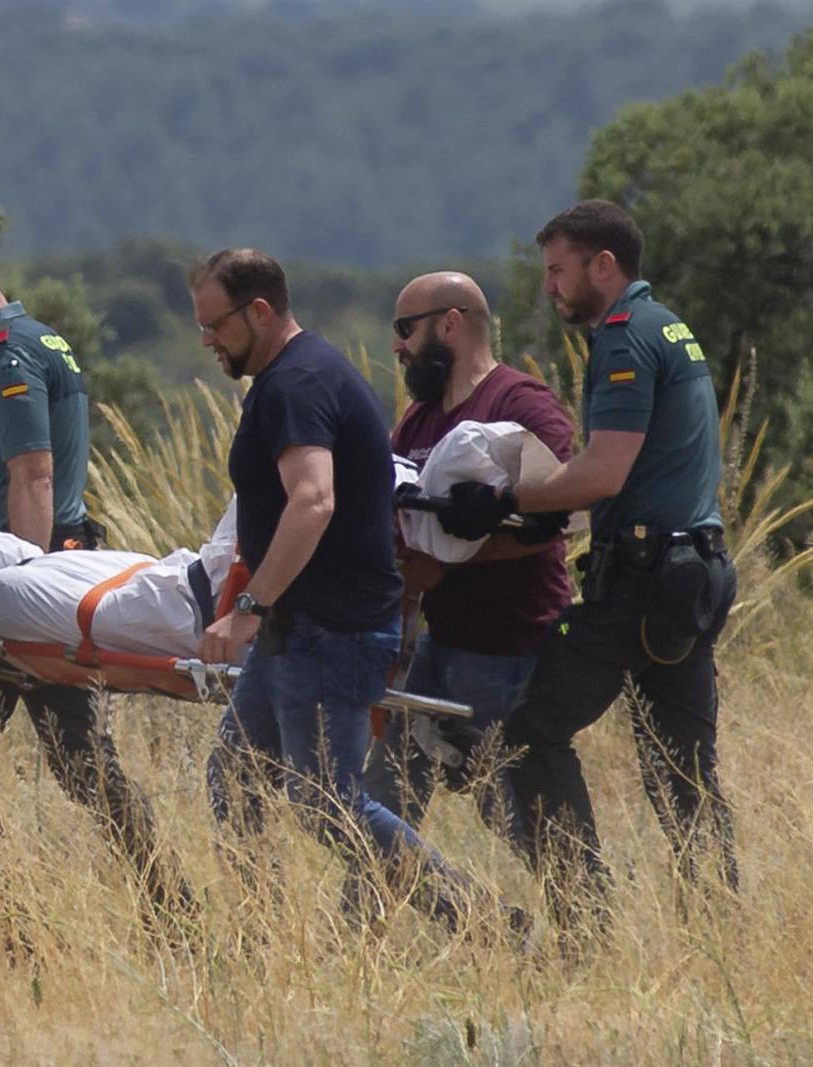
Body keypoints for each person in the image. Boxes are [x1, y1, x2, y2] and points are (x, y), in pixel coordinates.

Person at [438, 200, 739, 926]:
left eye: (558, 271)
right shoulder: (671, 324)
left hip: (640, 582)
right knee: (682, 768)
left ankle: (585, 916)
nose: (550, 288)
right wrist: (536, 499)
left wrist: (506, 495)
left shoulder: (622, 336)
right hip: (693, 573)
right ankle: (720, 928)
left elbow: (604, 470)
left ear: (603, 266)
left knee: (528, 734)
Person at [194, 248, 506, 932]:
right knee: (237, 777)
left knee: (324, 801)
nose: (207, 340)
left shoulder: (296, 385)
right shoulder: (299, 374)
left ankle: (480, 918)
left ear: (260, 310)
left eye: (215, 325)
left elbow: (313, 501)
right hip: (299, 627)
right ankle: (260, 936)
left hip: (328, 631)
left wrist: (248, 609)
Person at [0, 223, 195, 923]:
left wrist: (10, 601)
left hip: (25, 596)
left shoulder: (5, 351)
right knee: (83, 766)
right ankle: (173, 910)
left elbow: (33, 474)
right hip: (53, 579)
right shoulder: (40, 338)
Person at [363, 272, 575, 834]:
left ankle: (582, 918)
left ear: (450, 324)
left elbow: (562, 513)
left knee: (521, 820)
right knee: (377, 806)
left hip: (511, 649)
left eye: (405, 329)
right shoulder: (418, 420)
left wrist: (449, 561)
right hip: (439, 646)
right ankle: (388, 917)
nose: (397, 347)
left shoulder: (518, 401)